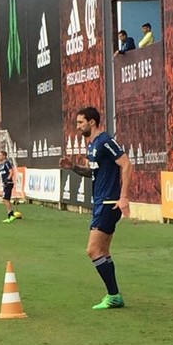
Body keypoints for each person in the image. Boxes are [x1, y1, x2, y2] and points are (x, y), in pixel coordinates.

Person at [58, 107, 132, 310]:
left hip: (109, 202)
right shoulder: (93, 146)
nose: (78, 126)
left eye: (80, 122)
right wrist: (72, 167)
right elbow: (92, 173)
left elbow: (126, 164)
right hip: (101, 202)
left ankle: (114, 295)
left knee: (92, 250)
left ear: (92, 122)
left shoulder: (106, 141)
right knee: (103, 251)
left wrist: (123, 197)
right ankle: (114, 295)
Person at [0, 150, 17, 223]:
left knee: (5, 199)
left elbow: (12, 172)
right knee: (6, 199)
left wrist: (7, 180)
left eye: (0, 155)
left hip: (9, 183)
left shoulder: (7, 163)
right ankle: (11, 215)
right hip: (5, 183)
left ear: (4, 156)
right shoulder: (0, 165)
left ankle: (11, 215)